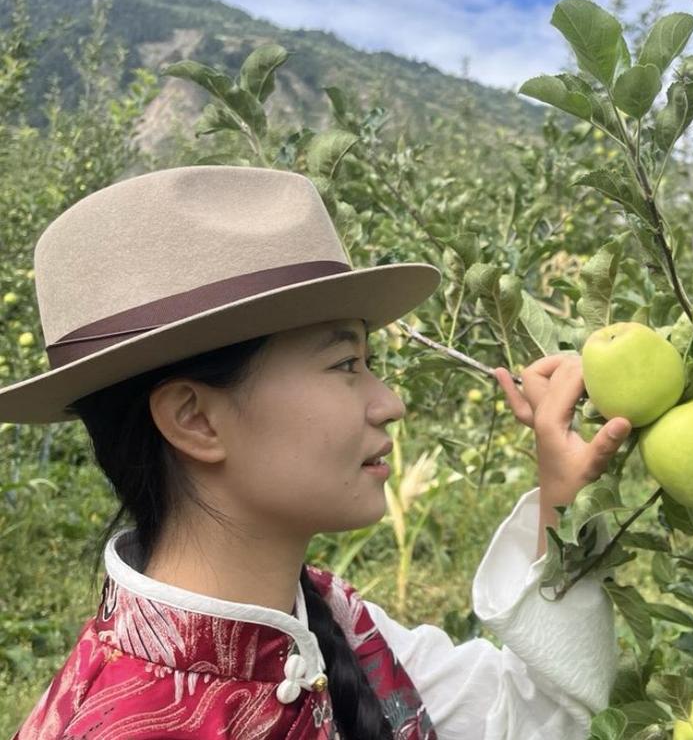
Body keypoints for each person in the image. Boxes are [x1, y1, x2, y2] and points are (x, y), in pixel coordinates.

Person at [2, 164, 633, 739]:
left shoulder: (330, 619)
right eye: (346, 364)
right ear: (195, 420)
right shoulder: (120, 724)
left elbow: (527, 719)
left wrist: (561, 500)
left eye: (370, 361)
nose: (390, 403)